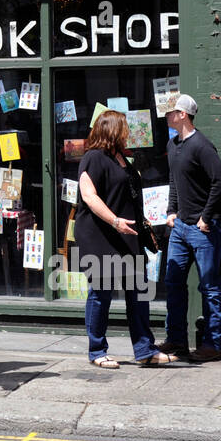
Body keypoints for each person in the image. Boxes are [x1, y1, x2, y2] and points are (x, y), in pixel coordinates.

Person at [76, 110, 176, 368]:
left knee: (139, 292)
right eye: (124, 128)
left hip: (128, 235)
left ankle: (145, 350)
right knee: (101, 294)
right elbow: (89, 196)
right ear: (111, 130)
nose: (127, 133)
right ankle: (97, 351)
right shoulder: (93, 158)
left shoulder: (122, 157)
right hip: (101, 236)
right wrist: (114, 221)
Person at [160, 94, 221, 362]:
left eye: (172, 112)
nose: (168, 115)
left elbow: (219, 181)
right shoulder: (173, 144)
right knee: (173, 282)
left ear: (184, 115)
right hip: (179, 227)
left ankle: (213, 344)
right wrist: (171, 211)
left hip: (203, 229)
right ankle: (176, 339)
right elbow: (174, 180)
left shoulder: (201, 145)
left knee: (210, 287)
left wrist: (206, 217)